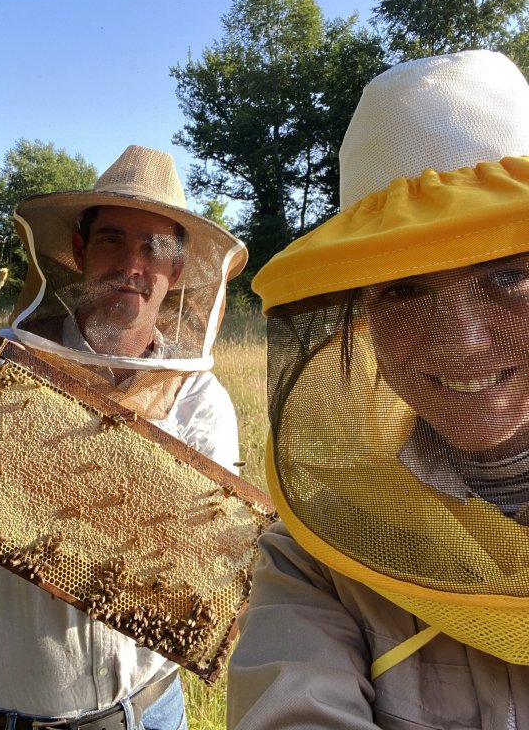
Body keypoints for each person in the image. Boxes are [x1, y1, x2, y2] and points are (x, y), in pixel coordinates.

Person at [226, 50, 529, 729]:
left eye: (509, 275)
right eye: (402, 289)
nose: (465, 343)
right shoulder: (316, 553)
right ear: (360, 313)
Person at [0, 144, 248, 730]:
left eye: (154, 249)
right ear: (78, 251)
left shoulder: (201, 401)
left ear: (175, 272)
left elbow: (201, 567)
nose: (132, 263)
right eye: (113, 240)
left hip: (142, 714)